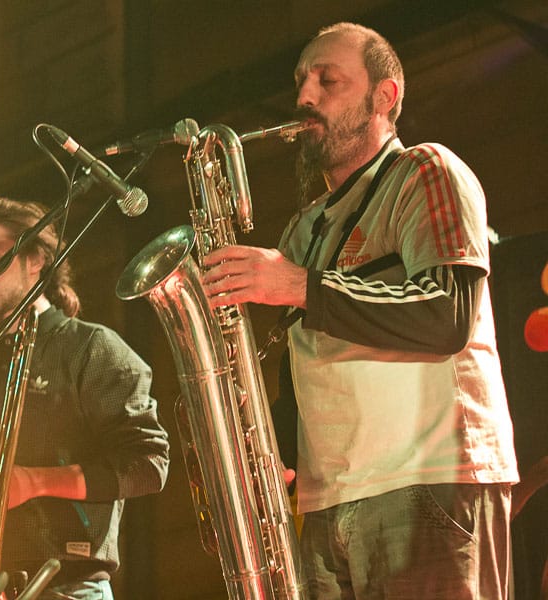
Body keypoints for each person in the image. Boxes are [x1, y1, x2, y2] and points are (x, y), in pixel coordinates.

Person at [202, 22, 519, 599]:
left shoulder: (424, 170)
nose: (305, 95)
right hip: (327, 501)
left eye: (329, 81)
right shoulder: (304, 227)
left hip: (429, 479)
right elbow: (305, 362)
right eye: (301, 81)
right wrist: (272, 452)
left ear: (384, 96)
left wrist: (301, 285)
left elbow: (447, 313)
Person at [0, 196, 170, 600]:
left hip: (68, 585)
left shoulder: (90, 347)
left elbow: (149, 465)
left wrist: (33, 482)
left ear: (35, 260)